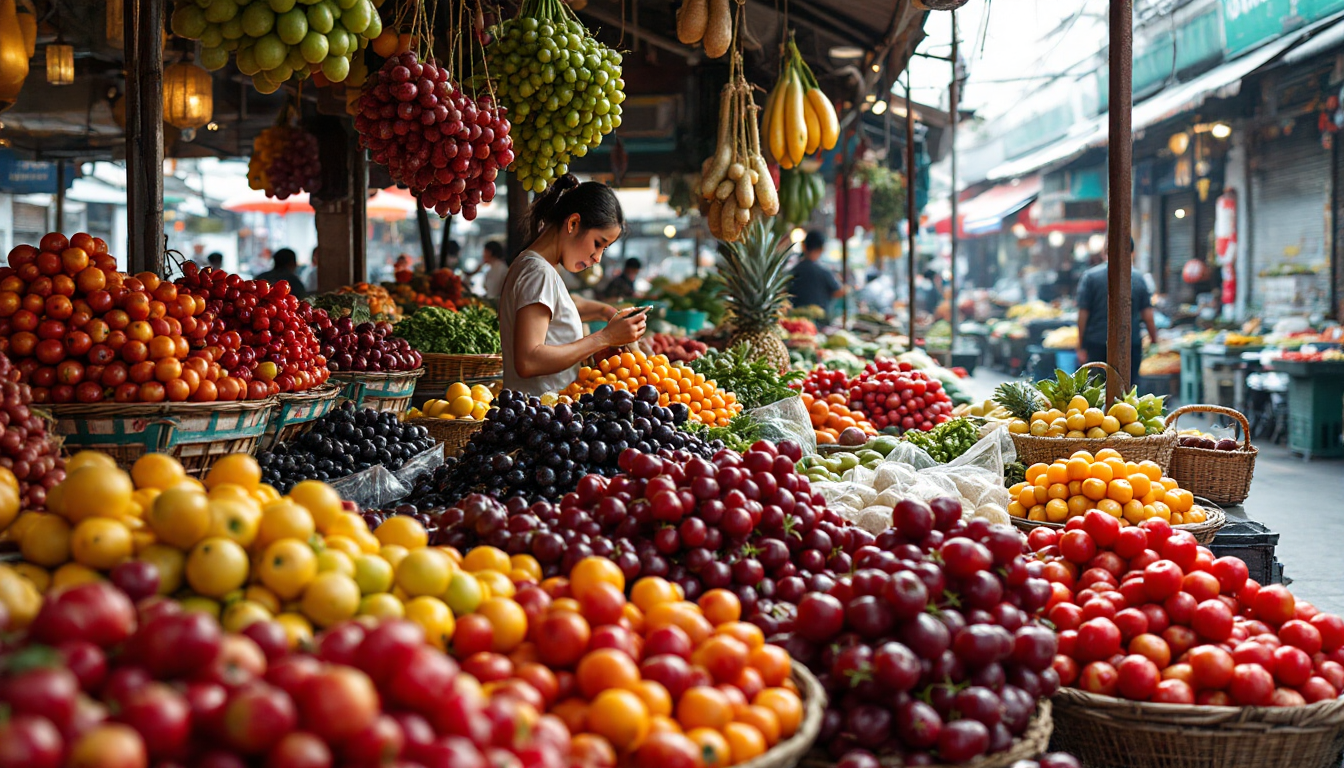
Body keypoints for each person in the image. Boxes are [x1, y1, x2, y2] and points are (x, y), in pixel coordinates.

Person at [499, 174, 647, 396]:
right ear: (573, 223)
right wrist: (605, 337)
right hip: (539, 418)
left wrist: (607, 312)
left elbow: (560, 308)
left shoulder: (537, 266)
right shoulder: (538, 273)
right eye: (598, 244)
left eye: (604, 249)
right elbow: (528, 361)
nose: (597, 258)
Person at [1076, 237, 1159, 384]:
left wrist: (1080, 345)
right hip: (1129, 345)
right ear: (1132, 253)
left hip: (1097, 343)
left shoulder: (1090, 277)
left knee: (1097, 391)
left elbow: (1083, 314)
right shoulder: (1139, 278)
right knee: (1127, 390)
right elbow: (1148, 315)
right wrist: (1154, 339)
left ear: (1104, 252)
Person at [788, 231, 844, 315]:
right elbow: (838, 291)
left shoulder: (794, 270)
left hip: (795, 318)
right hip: (820, 321)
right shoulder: (824, 271)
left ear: (804, 246)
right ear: (822, 249)